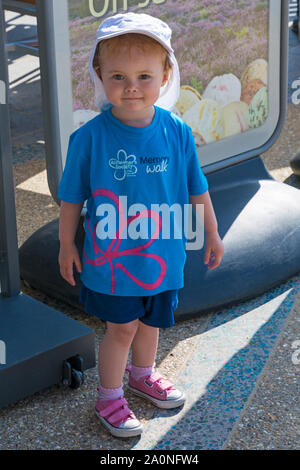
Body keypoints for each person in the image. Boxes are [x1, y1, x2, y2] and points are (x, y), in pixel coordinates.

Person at [58, 12, 224, 438]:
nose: (131, 86)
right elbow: (72, 197)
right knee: (121, 328)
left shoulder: (178, 132)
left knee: (150, 323)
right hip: (113, 263)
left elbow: (196, 187)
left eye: (144, 75)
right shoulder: (89, 139)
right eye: (118, 75)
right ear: (99, 75)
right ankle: (109, 396)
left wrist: (212, 230)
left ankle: (142, 375)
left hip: (162, 258)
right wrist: (65, 243)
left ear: (166, 75)